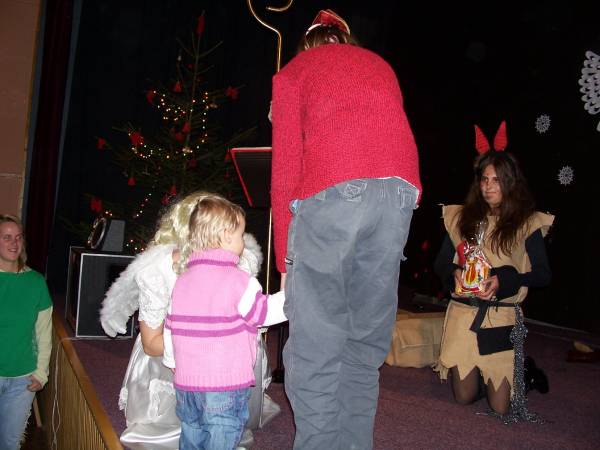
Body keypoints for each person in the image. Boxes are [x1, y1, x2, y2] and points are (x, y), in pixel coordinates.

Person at [270, 9, 421, 449]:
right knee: (363, 343)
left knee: (315, 345)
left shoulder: (294, 71)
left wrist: (285, 262)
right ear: (345, 40)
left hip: (334, 186)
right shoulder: (380, 64)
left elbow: (285, 171)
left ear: (308, 44)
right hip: (399, 192)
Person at [100, 191, 277, 450]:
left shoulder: (231, 263)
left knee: (197, 425)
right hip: (177, 355)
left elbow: (248, 315)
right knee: (219, 424)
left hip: (198, 364)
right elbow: (152, 342)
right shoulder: (158, 270)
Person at [433, 121, 554, 419]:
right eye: (484, 179)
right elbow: (440, 263)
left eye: (496, 180)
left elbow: (543, 274)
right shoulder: (461, 217)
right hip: (464, 315)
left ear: (510, 182)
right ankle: (481, 375)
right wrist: (453, 273)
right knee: (464, 398)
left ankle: (524, 372)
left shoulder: (526, 223)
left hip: (500, 318)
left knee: (500, 408)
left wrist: (506, 280)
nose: (488, 187)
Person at [162, 195, 286, 450]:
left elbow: (170, 327)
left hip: (187, 383)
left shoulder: (182, 281)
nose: (243, 241)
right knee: (221, 434)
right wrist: (292, 295)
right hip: (225, 383)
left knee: (192, 432)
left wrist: (173, 362)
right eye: (241, 235)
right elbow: (265, 314)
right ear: (227, 236)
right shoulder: (240, 281)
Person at [0, 214, 53, 450]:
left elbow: (44, 333)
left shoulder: (36, 282)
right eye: (7, 237)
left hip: (22, 380)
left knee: (10, 443)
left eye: (18, 237)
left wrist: (41, 372)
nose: (14, 243)